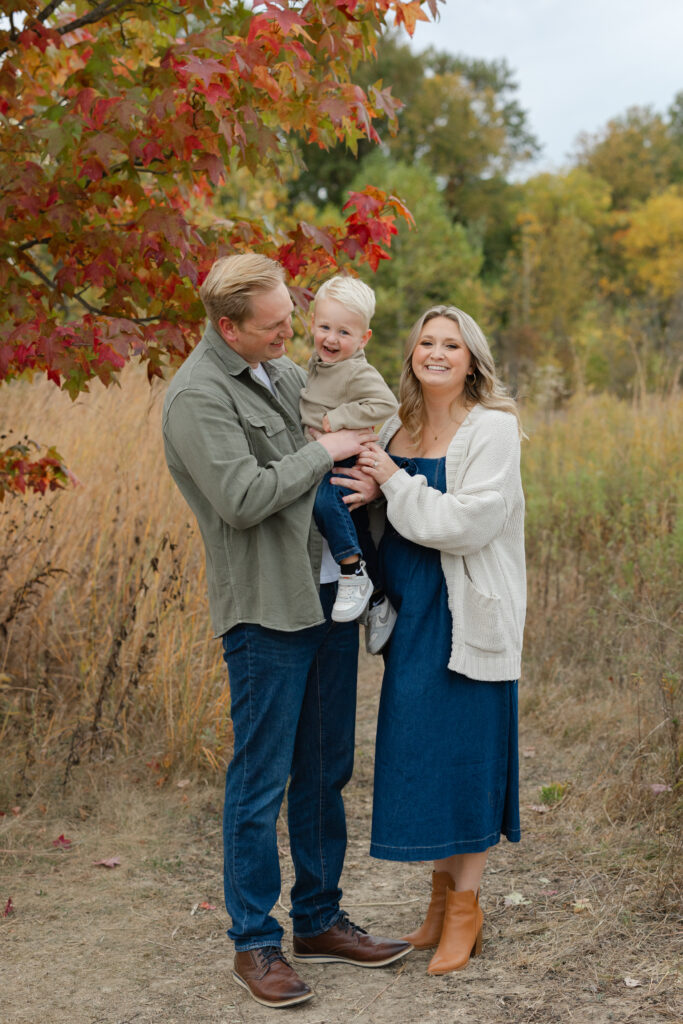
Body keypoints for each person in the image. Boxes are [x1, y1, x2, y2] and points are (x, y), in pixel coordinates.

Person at [162, 254, 412, 1009]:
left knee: (325, 768)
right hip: (266, 609)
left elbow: (332, 449)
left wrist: (365, 473)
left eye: (288, 320)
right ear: (227, 327)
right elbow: (242, 497)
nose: (289, 336)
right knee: (261, 776)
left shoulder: (277, 373)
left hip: (329, 596)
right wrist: (326, 450)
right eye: (273, 327)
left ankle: (318, 918)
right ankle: (255, 943)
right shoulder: (196, 398)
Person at [356, 304, 526, 976]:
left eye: (449, 344)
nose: (435, 353)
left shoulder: (493, 429)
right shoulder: (399, 423)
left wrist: (392, 480)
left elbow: (468, 523)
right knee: (423, 752)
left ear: (471, 359)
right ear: (412, 355)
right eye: (426, 342)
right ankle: (437, 903)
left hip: (468, 612)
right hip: (413, 614)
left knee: (469, 757)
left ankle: (467, 910)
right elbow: (383, 512)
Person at [300, 275, 398, 652]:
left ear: (363, 339)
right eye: (324, 327)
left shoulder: (357, 369)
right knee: (349, 522)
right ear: (312, 324)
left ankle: (352, 570)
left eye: (344, 332)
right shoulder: (318, 362)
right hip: (323, 451)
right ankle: (376, 602)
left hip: (345, 454)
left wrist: (339, 418)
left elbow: (384, 404)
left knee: (325, 502)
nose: (331, 339)